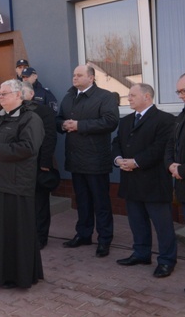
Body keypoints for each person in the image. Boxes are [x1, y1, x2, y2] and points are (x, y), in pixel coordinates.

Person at [0, 79, 44, 289]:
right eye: (0, 94)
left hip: (15, 185)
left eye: (4, 94)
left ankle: (15, 275)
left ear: (18, 95)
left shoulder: (30, 119)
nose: (0, 97)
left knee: (14, 232)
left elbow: (27, 148)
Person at [113, 83, 176, 278]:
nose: (128, 98)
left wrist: (136, 162)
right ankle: (141, 253)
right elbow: (117, 143)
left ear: (147, 97)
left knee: (162, 224)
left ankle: (167, 260)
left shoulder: (165, 119)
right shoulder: (126, 121)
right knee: (137, 221)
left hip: (154, 182)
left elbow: (160, 148)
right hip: (131, 181)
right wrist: (118, 159)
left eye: (132, 95)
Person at [56, 65, 119, 257]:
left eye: (79, 75)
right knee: (82, 200)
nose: (74, 78)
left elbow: (111, 121)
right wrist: (63, 125)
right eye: (74, 74)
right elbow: (57, 119)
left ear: (91, 78)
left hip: (96, 159)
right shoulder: (69, 97)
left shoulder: (104, 97)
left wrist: (79, 125)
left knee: (100, 202)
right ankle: (83, 234)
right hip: (75, 159)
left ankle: (104, 239)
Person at [21, 82, 58, 249]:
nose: (19, 96)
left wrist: (45, 162)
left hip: (38, 164)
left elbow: (49, 137)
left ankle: (41, 237)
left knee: (40, 203)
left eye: (22, 93)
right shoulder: (14, 112)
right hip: (19, 165)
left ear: (30, 94)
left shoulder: (44, 111)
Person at [166, 73, 185, 293]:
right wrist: (171, 165)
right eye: (179, 91)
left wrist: (181, 169)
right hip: (182, 185)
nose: (181, 96)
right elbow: (171, 143)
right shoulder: (181, 115)